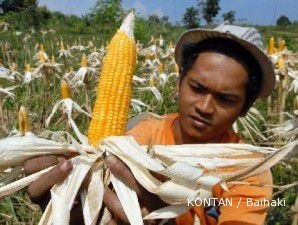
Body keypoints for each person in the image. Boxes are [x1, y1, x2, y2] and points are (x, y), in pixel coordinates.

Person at [24, 24, 275, 225]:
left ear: (244, 108)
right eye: (197, 88)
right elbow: (102, 204)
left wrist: (166, 217)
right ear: (179, 83)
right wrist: (72, 202)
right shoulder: (142, 135)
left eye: (225, 99)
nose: (205, 107)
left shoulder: (249, 170)